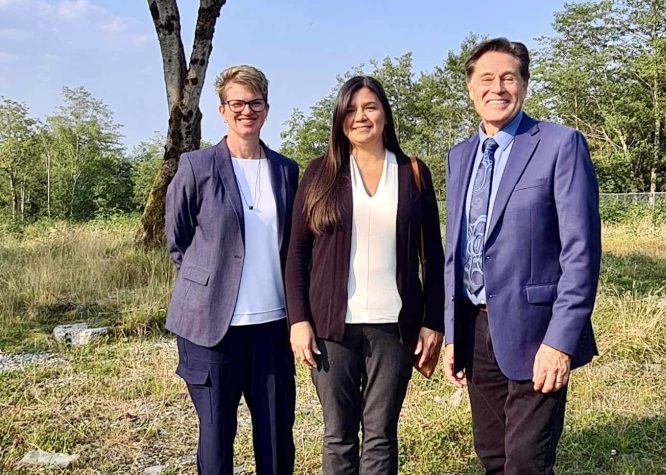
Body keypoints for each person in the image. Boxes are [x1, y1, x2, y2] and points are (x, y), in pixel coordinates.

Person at [442, 38, 601, 474]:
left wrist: (559, 343)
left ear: (525, 86)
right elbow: (454, 252)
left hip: (537, 331)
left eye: (508, 78)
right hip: (475, 329)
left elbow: (581, 252)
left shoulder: (559, 144)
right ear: (471, 89)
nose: (498, 88)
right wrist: (452, 333)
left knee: (526, 462)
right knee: (492, 455)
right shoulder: (459, 157)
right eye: (486, 79)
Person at [285, 75, 444, 474]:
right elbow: (297, 254)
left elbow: (434, 258)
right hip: (330, 328)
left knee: (380, 434)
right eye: (351, 110)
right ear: (340, 120)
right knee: (338, 435)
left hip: (394, 328)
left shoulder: (412, 173)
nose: (361, 117)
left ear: (386, 115)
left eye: (370, 107)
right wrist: (299, 320)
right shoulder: (321, 172)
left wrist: (433, 321)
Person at [165, 65, 298, 475]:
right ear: (222, 110)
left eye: (254, 103)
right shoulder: (195, 166)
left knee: (276, 439)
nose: (246, 111)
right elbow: (178, 240)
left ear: (266, 108)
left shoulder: (286, 170)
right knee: (217, 439)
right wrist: (211, 287)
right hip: (211, 331)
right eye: (237, 103)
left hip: (273, 330)